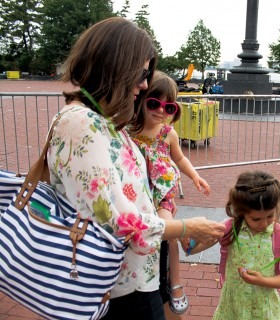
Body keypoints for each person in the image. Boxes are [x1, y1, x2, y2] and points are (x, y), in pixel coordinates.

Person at [47, 17, 225, 320]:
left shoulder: (103, 122)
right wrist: (186, 227)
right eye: (141, 73)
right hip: (114, 288)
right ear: (115, 66)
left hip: (133, 280)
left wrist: (180, 231)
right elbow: (116, 222)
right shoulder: (82, 123)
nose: (144, 84)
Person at [129, 70, 211, 315]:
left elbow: (180, 158)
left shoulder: (167, 133)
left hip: (161, 194)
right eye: (154, 103)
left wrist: (195, 176)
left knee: (171, 232)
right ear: (141, 100)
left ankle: (175, 282)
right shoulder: (128, 130)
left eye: (170, 107)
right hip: (136, 193)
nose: (161, 111)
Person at [186, 170, 280, 320]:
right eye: (256, 219)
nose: (264, 224)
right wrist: (187, 232)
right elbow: (191, 249)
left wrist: (262, 281)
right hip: (232, 309)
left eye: (270, 216)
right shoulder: (229, 229)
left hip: (264, 310)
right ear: (241, 212)